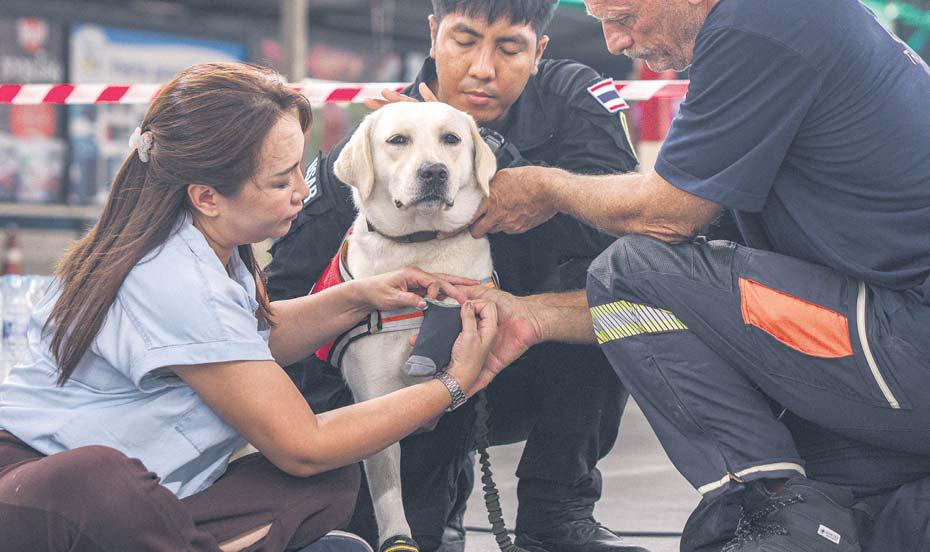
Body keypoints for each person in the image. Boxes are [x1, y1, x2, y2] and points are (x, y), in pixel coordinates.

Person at [460, 0, 930, 550]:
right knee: (848, 509)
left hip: (905, 338)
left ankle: (767, 505)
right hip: (893, 342)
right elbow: (684, 294)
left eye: (624, 16)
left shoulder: (759, 22)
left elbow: (664, 216)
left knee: (629, 265)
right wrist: (532, 317)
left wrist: (548, 188)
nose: (613, 41)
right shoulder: (793, 25)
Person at [0, 62, 498, 552]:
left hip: (163, 493)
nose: (303, 192)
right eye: (281, 182)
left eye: (299, 171)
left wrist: (361, 294)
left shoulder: (215, 249)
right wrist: (450, 386)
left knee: (330, 479)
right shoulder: (170, 274)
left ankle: (178, 541)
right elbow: (304, 445)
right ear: (208, 196)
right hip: (37, 487)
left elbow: (246, 345)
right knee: (101, 480)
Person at [265, 2, 647, 552]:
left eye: (509, 48)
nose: (482, 68)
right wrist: (339, 416)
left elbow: (618, 230)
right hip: (392, 390)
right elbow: (283, 295)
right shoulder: (379, 134)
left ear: (539, 51)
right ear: (433, 35)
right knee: (391, 534)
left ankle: (556, 512)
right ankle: (429, 508)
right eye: (464, 41)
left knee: (621, 282)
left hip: (530, 362)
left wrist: (523, 178)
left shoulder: (571, 99)